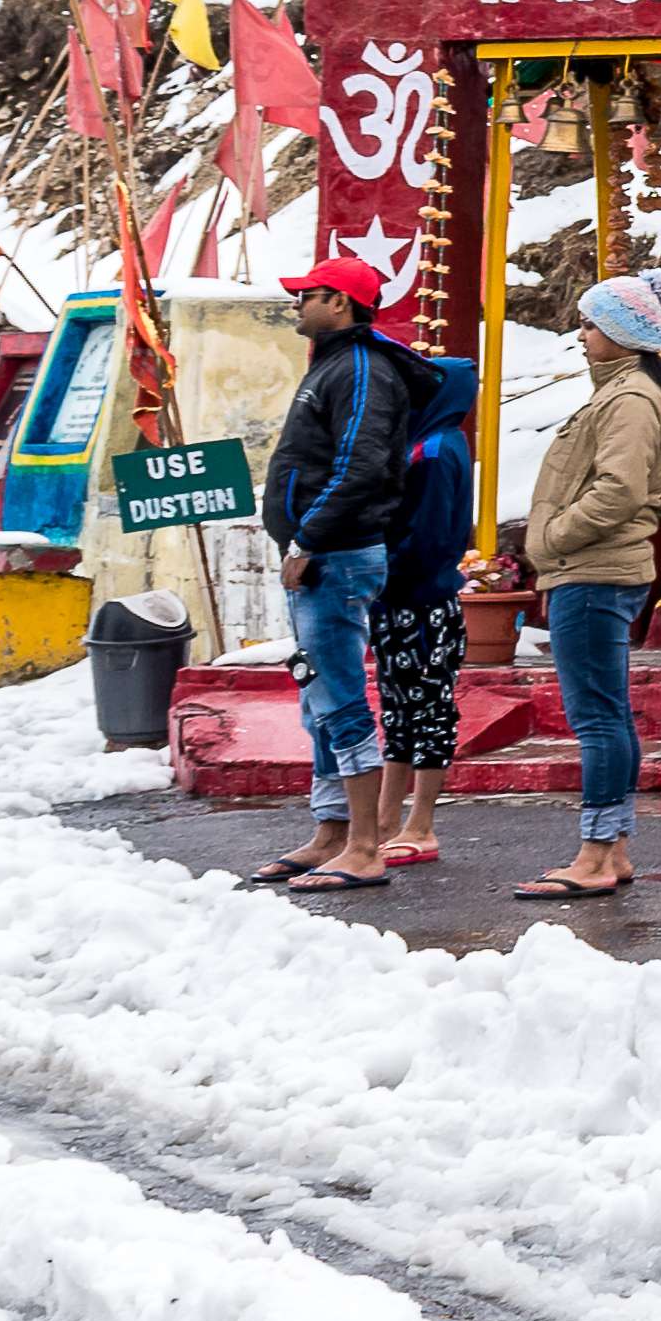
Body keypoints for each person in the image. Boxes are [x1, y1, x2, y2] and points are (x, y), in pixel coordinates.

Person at [255, 257, 431, 891]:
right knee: (318, 698)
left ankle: (364, 845)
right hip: (322, 557)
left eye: (308, 293)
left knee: (340, 697)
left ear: (339, 302)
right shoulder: (334, 365)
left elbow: (360, 466)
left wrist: (308, 537)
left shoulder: (360, 369)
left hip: (336, 556)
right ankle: (330, 831)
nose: (298, 303)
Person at [515, 273, 661, 901]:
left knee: (596, 718)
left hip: (593, 571)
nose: (580, 336)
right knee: (606, 714)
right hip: (593, 571)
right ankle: (612, 847)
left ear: (619, 333)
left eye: (589, 324)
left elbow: (619, 490)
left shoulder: (630, 398)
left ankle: (594, 854)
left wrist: (553, 538)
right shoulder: (621, 392)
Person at [362, 352, 480, 868]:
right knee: (398, 711)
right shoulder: (424, 443)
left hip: (422, 600)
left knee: (428, 711)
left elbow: (427, 538)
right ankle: (387, 818)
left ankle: (421, 823)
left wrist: (381, 569)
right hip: (400, 598)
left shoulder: (434, 451)